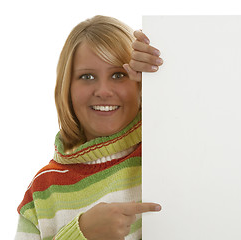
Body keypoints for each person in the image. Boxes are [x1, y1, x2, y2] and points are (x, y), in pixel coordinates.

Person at [15, 15, 163, 240]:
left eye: (118, 75)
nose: (103, 91)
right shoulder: (42, 191)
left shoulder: (166, 150)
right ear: (67, 88)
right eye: (87, 76)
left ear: (139, 83)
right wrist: (80, 234)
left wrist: (168, 70)